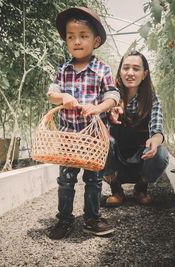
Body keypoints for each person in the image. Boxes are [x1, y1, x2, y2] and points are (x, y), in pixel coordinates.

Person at [46, 7, 120, 239]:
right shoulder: (63, 70)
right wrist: (63, 98)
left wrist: (98, 108)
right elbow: (51, 94)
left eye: (83, 36)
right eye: (71, 36)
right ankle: (64, 219)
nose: (77, 41)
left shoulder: (102, 70)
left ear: (96, 40)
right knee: (66, 180)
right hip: (68, 138)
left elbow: (113, 96)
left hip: (93, 139)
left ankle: (91, 218)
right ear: (66, 40)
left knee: (94, 180)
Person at [103, 50, 169, 206]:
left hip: (141, 159)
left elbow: (157, 130)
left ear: (144, 74)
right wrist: (109, 116)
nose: (130, 73)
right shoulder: (109, 98)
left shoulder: (152, 99)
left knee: (161, 153)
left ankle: (141, 187)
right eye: (126, 68)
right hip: (117, 161)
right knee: (101, 142)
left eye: (136, 69)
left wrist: (155, 140)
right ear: (120, 71)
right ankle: (116, 188)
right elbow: (99, 128)